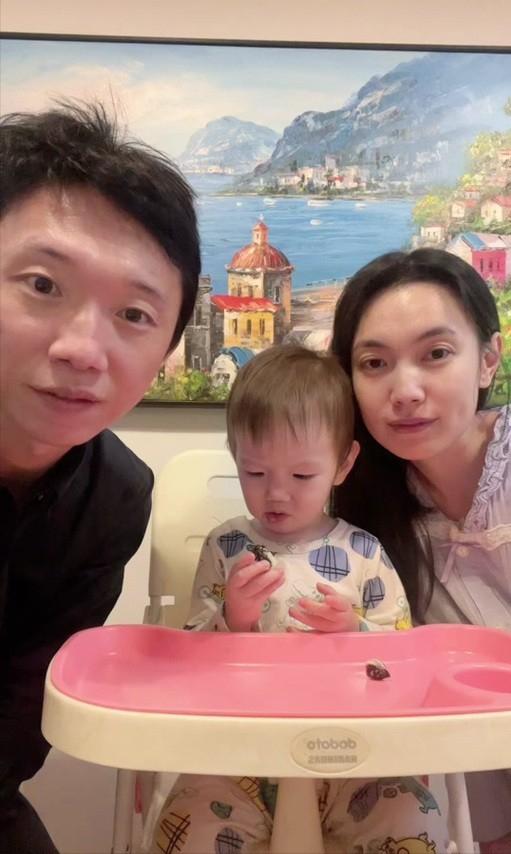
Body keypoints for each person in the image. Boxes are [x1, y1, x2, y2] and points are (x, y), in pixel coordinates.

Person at [151, 345, 451, 854]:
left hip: (352, 760)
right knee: (183, 831)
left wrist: (355, 633)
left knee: (417, 822)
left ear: (342, 464)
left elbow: (406, 659)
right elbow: (190, 660)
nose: (277, 494)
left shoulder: (363, 552)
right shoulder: (226, 546)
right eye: (255, 473)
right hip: (239, 760)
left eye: (301, 476)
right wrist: (233, 621)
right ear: (236, 458)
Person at [0, 101, 200, 853]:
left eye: (135, 315)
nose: (84, 350)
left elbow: (20, 724)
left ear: (166, 352)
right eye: (43, 284)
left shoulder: (115, 497)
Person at [330, 247, 510, 852]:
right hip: (474, 781)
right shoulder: (363, 515)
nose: (404, 391)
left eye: (436, 354)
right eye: (374, 363)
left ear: (488, 359)